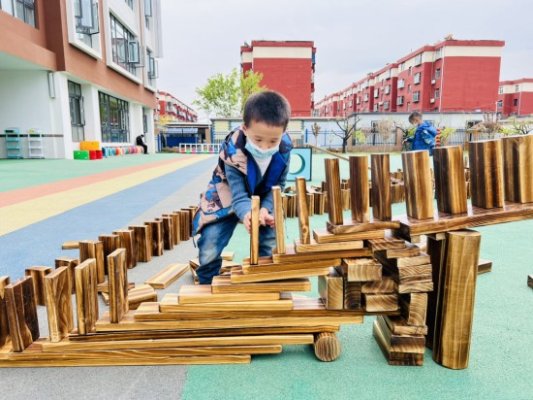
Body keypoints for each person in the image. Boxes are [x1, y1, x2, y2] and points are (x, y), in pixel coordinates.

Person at [192, 91, 292, 284]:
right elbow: (238, 196)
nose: (264, 147)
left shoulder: (284, 150)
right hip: (226, 194)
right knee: (210, 242)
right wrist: (248, 214)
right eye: (258, 140)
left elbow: (278, 186)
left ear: (284, 133)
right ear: (245, 128)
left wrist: (264, 210)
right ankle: (206, 281)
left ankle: (265, 280)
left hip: (264, 194)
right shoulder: (233, 153)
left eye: (273, 141)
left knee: (271, 240)